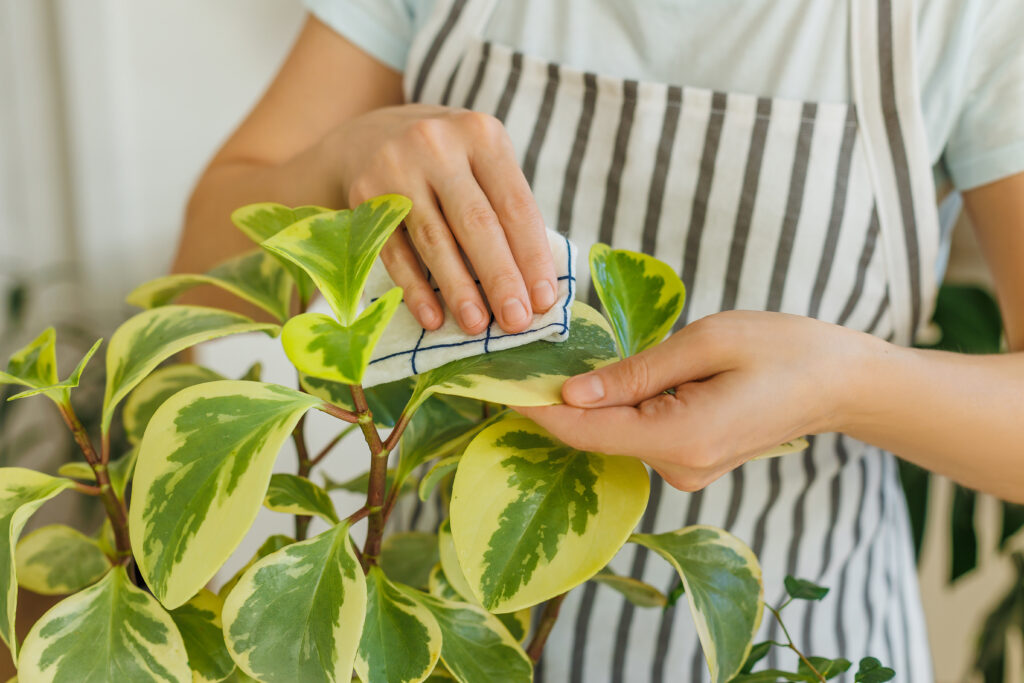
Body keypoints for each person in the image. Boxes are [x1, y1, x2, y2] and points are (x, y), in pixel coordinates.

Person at [174, 1, 1024, 680]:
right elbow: (201, 272)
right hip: (439, 635)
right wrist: (340, 160)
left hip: (785, 646)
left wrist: (848, 383)